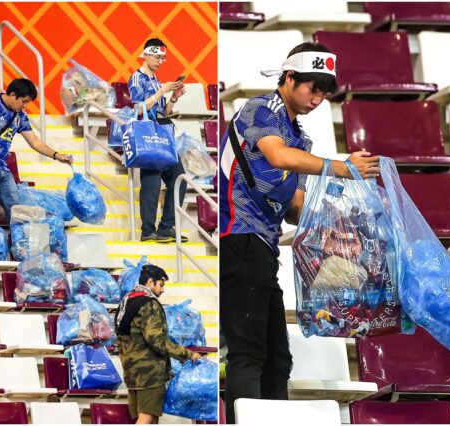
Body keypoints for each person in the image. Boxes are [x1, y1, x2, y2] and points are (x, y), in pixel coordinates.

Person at [219, 42, 379, 424]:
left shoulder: (300, 138)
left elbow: (294, 208)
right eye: (313, 87)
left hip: (262, 247)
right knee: (248, 352)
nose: (318, 98)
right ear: (289, 78)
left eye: (325, 92)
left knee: (277, 358)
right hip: (237, 237)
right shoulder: (260, 109)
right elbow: (277, 156)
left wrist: (346, 225)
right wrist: (343, 168)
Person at [0, 78, 73, 223]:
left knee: (16, 209)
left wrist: (57, 155)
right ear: (13, 95)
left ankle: (20, 244)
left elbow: (34, 141)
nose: (25, 106)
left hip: (1, 165)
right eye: (24, 101)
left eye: (28, 102)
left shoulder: (20, 115)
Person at [115, 264, 202, 424]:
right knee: (146, 417)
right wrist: (187, 354)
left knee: (151, 418)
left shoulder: (125, 302)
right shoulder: (148, 303)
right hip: (149, 373)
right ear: (150, 282)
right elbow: (157, 340)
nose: (162, 290)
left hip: (132, 372)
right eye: (161, 285)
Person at [128, 38, 188, 243]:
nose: (160, 61)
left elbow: (164, 112)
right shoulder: (137, 79)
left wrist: (173, 97)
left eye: (163, 58)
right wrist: (162, 91)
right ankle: (147, 231)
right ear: (145, 55)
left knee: (180, 180)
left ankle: (165, 227)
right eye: (157, 57)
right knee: (151, 185)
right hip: (148, 135)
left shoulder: (155, 80)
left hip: (162, 133)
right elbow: (137, 109)